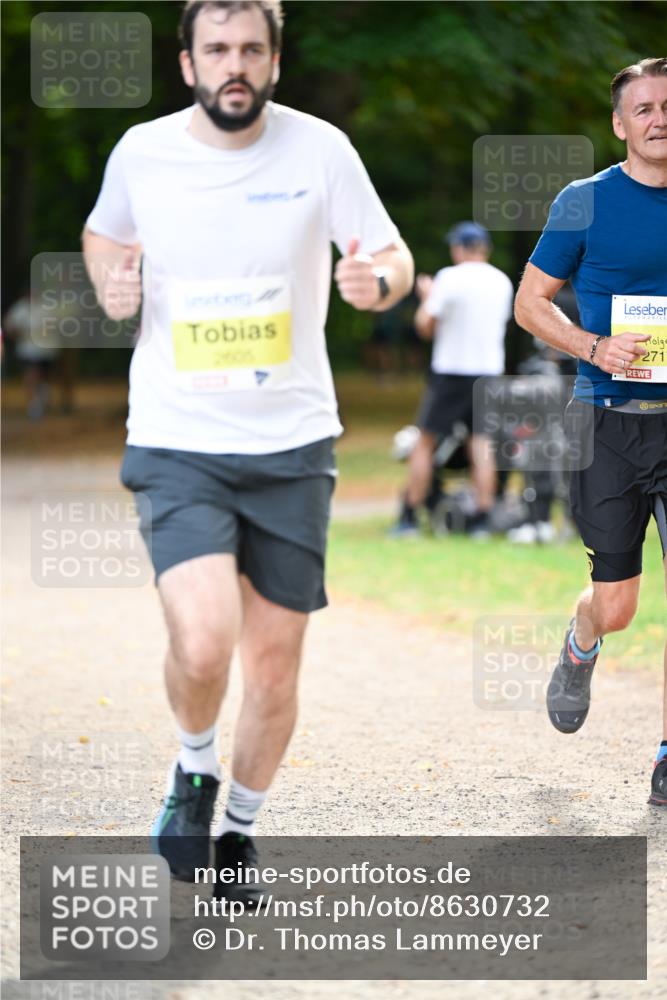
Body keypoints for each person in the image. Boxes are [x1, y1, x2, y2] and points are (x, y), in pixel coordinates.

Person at [82, 0, 414, 891]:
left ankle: (236, 832)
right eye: (216, 49)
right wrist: (111, 285)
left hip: (294, 444)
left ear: (274, 60)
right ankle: (193, 766)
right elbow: (104, 233)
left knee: (273, 666)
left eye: (252, 50)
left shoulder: (320, 148)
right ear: (187, 63)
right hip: (176, 438)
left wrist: (374, 282)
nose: (235, 64)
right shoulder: (143, 153)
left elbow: (391, 257)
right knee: (203, 643)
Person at [515, 57, 667, 807]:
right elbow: (530, 302)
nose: (657, 118)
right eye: (641, 108)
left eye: (666, 105)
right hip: (606, 423)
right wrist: (591, 347)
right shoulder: (584, 201)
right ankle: (581, 644)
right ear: (619, 124)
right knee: (618, 603)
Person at [390, 221, 513, 537]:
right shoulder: (501, 282)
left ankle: (409, 516)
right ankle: (483, 519)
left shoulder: (448, 278)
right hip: (488, 372)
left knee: (425, 442)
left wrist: (426, 297)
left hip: (451, 372)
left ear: (460, 248)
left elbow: (425, 327)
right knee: (481, 444)